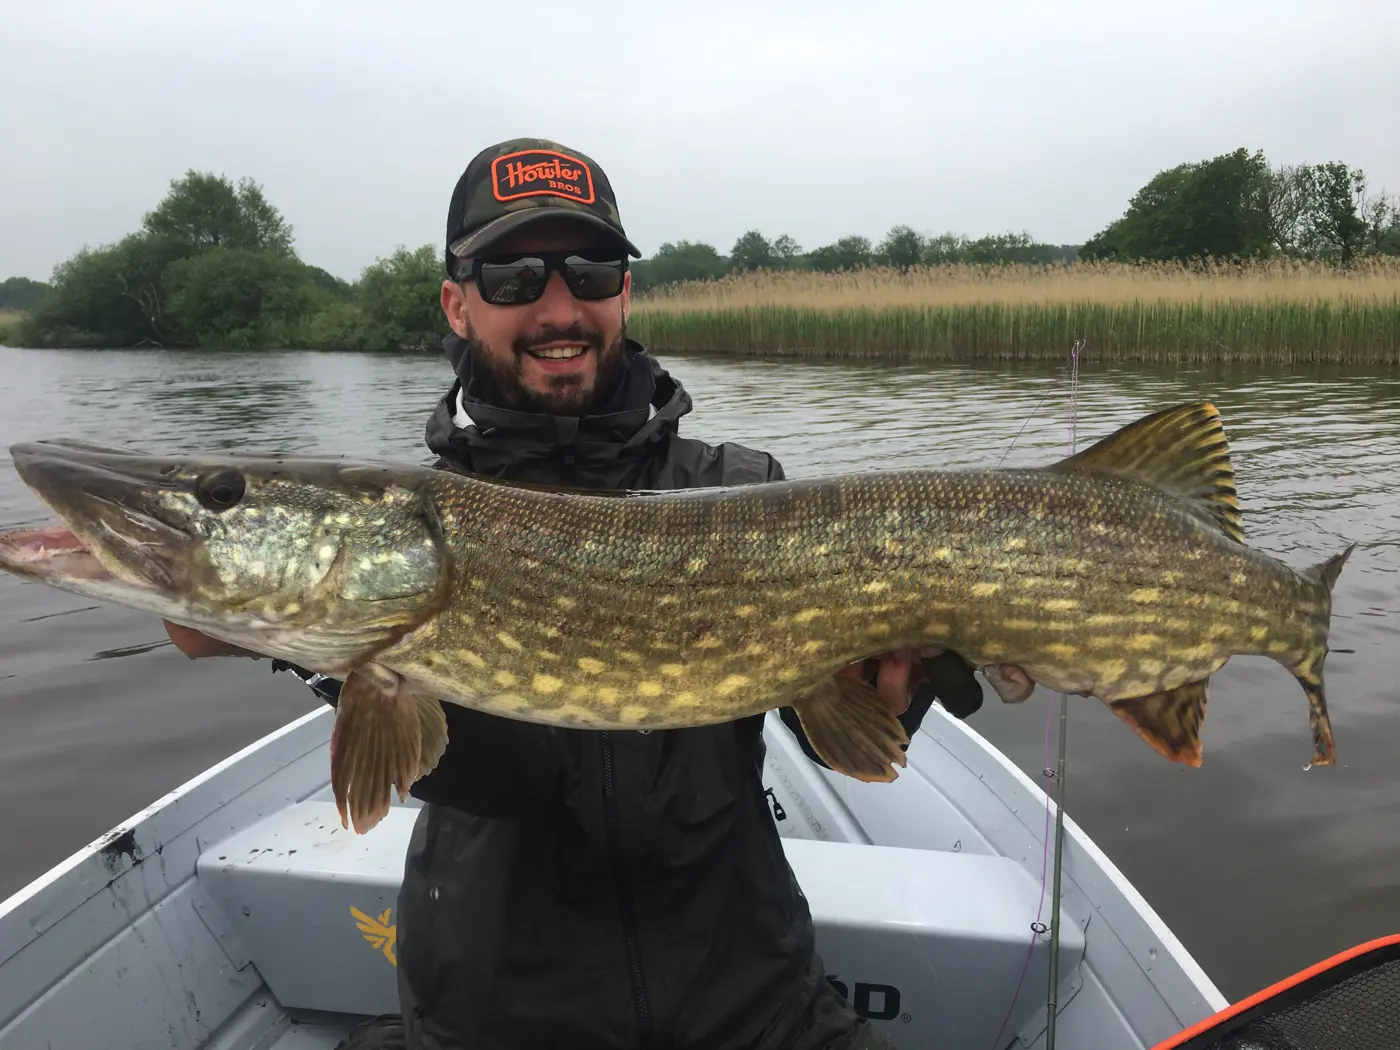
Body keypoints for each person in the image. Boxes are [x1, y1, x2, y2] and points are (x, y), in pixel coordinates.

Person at [164, 137, 1006, 1050]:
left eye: (592, 269)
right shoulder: (407, 524)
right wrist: (311, 646)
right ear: (456, 302)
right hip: (493, 1018)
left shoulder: (739, 486)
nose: (559, 307)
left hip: (756, 1005)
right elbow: (508, 778)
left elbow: (841, 747)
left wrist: (905, 687)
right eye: (514, 275)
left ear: (625, 291)